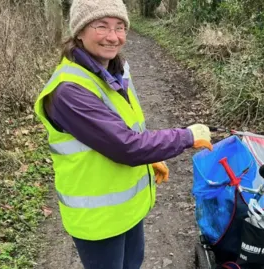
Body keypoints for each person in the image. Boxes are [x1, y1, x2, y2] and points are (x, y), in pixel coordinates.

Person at [33, 0, 213, 268]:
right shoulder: (69, 90)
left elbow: (120, 131)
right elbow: (126, 146)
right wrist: (186, 136)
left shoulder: (112, 70)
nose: (113, 36)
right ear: (79, 32)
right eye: (101, 26)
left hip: (127, 210)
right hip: (98, 220)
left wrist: (148, 159)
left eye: (120, 27)